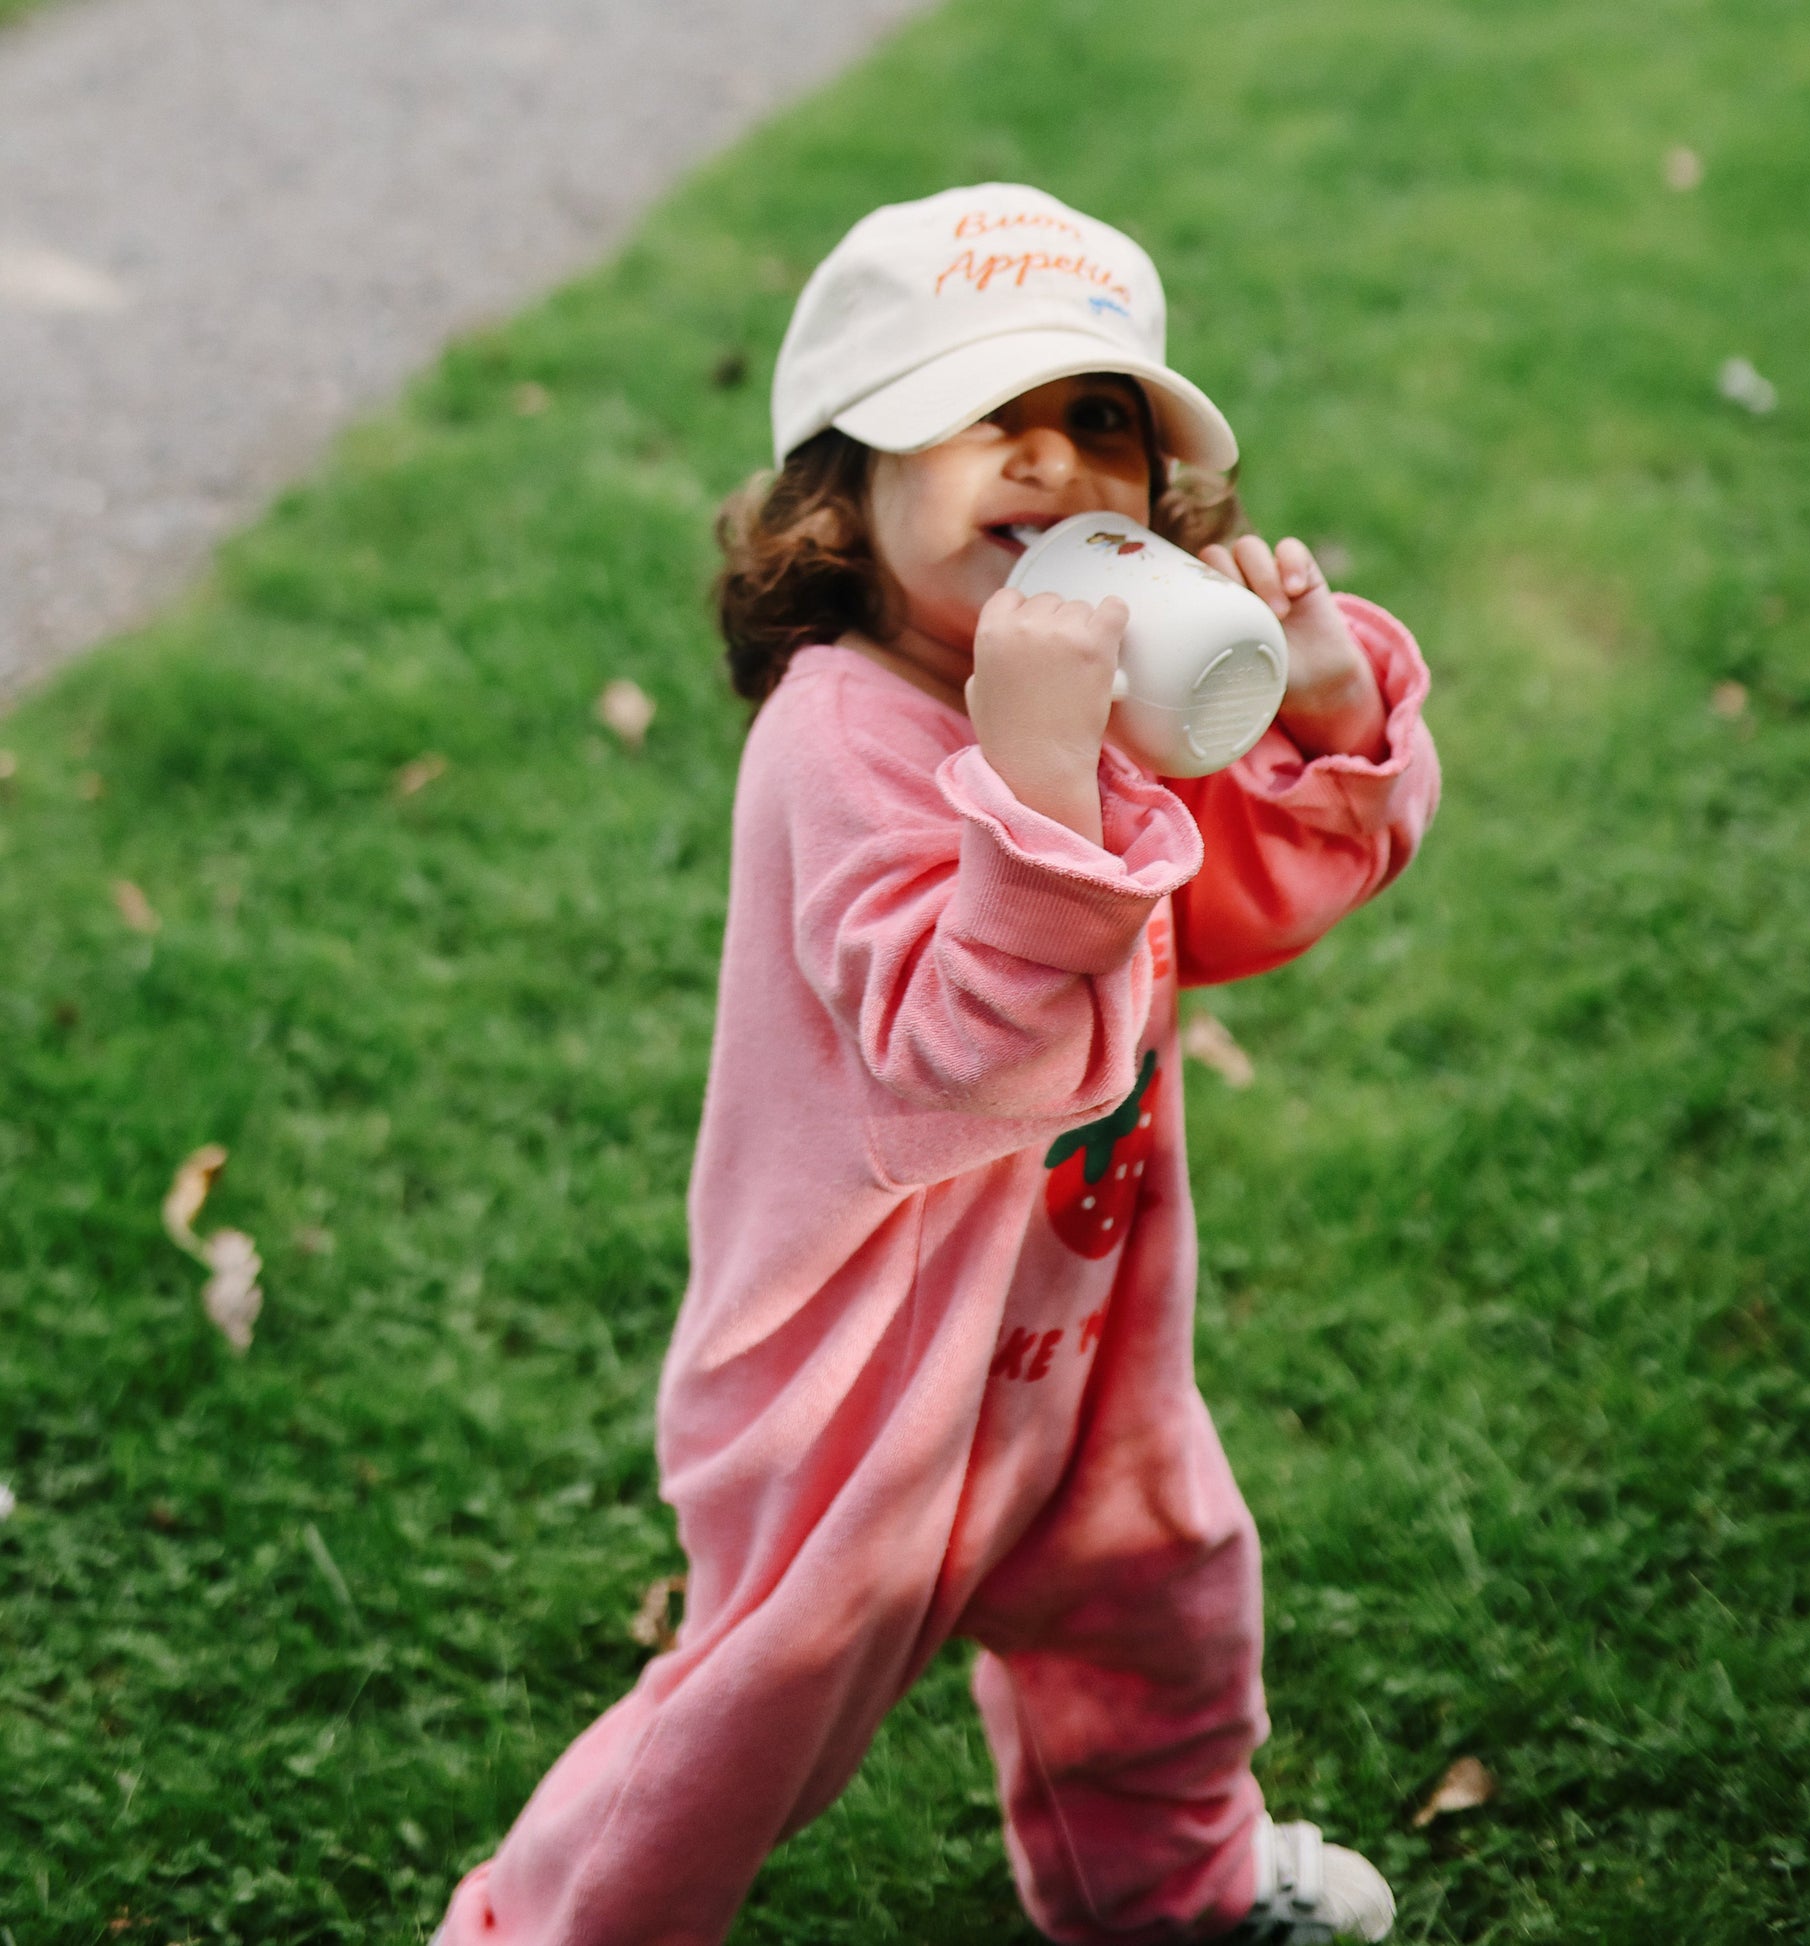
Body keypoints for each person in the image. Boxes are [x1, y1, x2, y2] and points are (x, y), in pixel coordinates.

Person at [435, 182, 1440, 1946]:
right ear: (845, 487)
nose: (1051, 458)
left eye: (1101, 420)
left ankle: (1169, 1893)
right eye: (984, 415)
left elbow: (1223, 910)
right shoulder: (839, 735)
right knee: (746, 1729)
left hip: (1077, 1331)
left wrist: (1327, 715)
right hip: (859, 1381)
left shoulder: (1097, 698)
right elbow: (962, 1053)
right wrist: (1039, 783)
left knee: (1162, 1615)